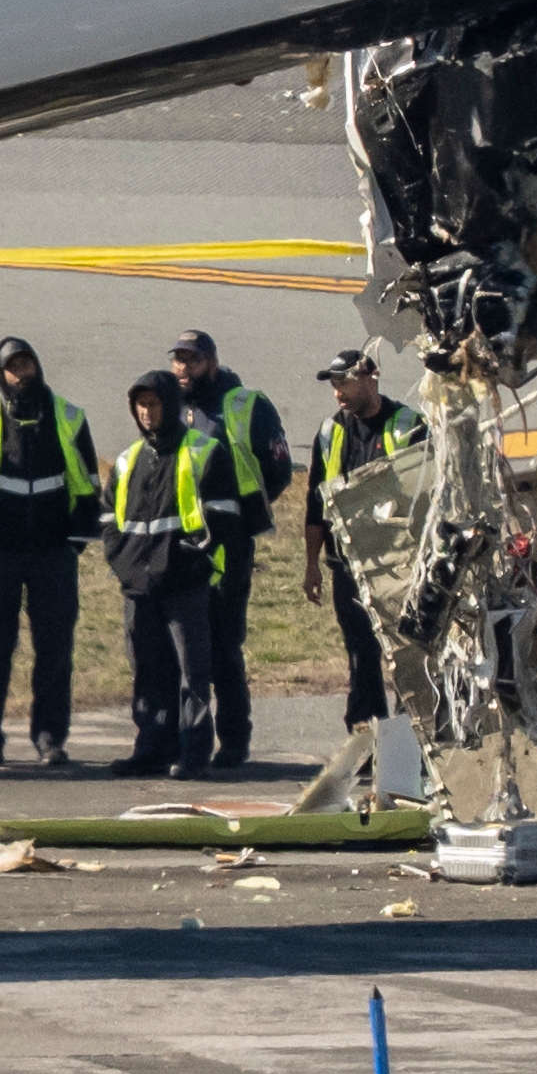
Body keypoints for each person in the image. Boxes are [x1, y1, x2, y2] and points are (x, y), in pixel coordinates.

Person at [0, 336, 99, 768]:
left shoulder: (69, 417)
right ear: (1, 374)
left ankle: (50, 737)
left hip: (53, 553)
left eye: (27, 363)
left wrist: (75, 542)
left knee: (55, 647)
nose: (22, 373)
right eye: (13, 367)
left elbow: (89, 482)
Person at [102, 367, 244, 781]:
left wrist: (193, 559)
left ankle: (193, 751)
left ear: (171, 405)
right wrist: (122, 561)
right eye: (141, 405)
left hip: (185, 584)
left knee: (193, 673)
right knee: (147, 669)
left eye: (154, 403)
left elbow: (225, 518)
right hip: (139, 586)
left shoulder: (203, 451)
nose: (147, 412)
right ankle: (151, 749)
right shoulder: (128, 460)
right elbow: (109, 517)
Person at [168, 329, 290, 769]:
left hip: (229, 546)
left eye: (192, 360)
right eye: (178, 360)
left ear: (212, 362)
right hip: (181, 543)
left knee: (224, 646)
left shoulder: (245, 405)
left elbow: (277, 471)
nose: (183, 369)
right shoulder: (172, 406)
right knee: (183, 648)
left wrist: (240, 517)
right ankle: (185, 739)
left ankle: (234, 741)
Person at [301, 348, 428, 735]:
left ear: (371, 376)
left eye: (346, 382)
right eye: (335, 384)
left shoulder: (408, 426)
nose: (339, 391)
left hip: (397, 564)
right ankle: (368, 740)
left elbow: (426, 493)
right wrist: (311, 565)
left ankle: (415, 739)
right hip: (348, 565)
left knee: (407, 656)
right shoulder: (331, 432)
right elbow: (316, 501)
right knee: (361, 656)